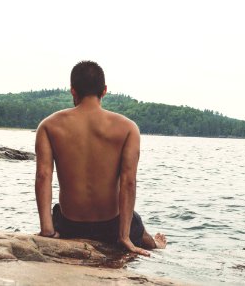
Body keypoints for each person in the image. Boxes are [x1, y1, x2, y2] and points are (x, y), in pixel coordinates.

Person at [34, 60, 166, 256]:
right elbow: (129, 183)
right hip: (111, 228)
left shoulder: (48, 126)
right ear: (104, 90)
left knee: (57, 210)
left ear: (72, 90)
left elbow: (43, 176)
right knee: (136, 224)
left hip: (70, 226)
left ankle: (148, 239)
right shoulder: (128, 128)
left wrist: (47, 230)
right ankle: (154, 243)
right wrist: (124, 237)